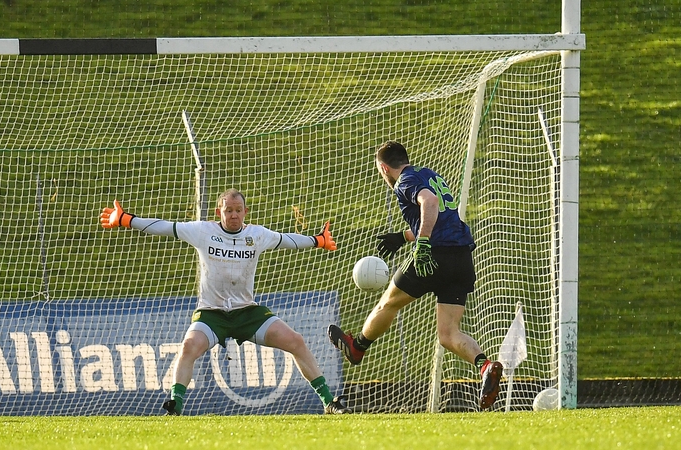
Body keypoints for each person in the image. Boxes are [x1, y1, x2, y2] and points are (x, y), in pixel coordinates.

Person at [100, 188, 351, 415]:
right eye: (228, 210)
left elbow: (288, 239)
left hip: (246, 312)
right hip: (212, 314)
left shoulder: (256, 235)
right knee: (188, 347)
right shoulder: (203, 231)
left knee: (296, 341)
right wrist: (127, 219)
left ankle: (329, 402)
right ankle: (175, 404)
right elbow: (166, 226)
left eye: (238, 210)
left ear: (245, 212)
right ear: (219, 211)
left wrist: (318, 240)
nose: (233, 215)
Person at [327, 140, 503, 410]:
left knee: (388, 303)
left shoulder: (405, 181)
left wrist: (421, 243)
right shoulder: (429, 174)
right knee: (448, 334)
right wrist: (403, 236)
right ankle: (485, 366)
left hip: (434, 254)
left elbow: (429, 203)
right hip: (461, 258)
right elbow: (439, 215)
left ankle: (357, 347)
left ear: (384, 168)